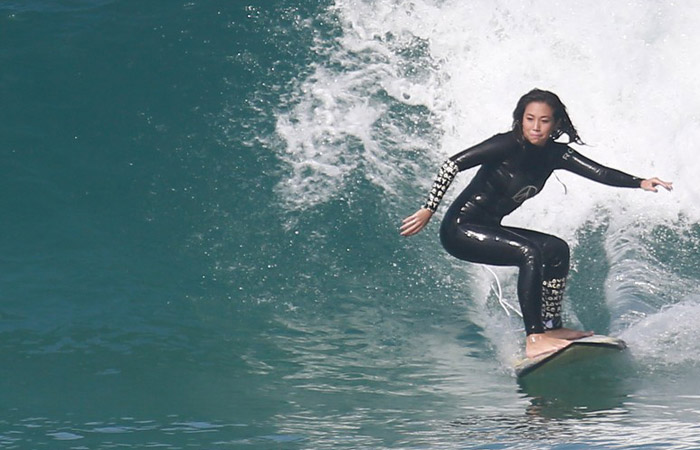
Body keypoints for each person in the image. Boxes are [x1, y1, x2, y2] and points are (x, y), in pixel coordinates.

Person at [400, 89, 673, 359]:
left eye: (544, 121)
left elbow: (600, 172)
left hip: (490, 227)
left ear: (555, 124)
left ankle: (552, 328)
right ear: (521, 119)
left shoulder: (557, 155)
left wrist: (640, 182)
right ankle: (535, 337)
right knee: (529, 252)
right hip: (460, 230)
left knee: (556, 249)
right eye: (530, 119)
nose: (536, 127)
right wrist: (429, 208)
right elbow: (452, 164)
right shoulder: (506, 144)